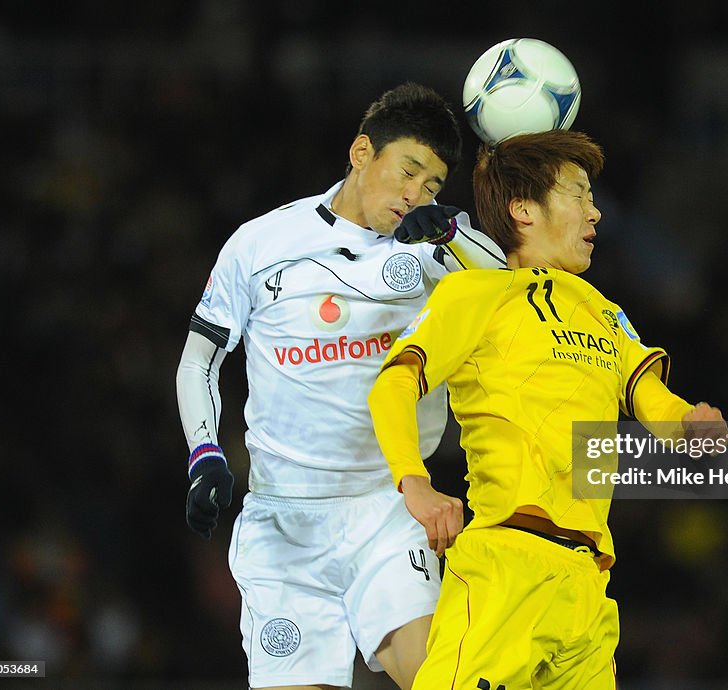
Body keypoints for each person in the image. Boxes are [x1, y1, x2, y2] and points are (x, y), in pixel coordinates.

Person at [367, 129, 728, 689]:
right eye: (579, 194)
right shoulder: (476, 294)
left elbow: (646, 395)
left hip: (587, 587)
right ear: (523, 210)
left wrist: (688, 424)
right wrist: (413, 482)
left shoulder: (604, 311)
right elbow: (393, 383)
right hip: (508, 564)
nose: (596, 213)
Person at [175, 82, 505, 690]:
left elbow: (518, 290)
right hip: (285, 520)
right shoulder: (260, 244)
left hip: (390, 508)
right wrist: (205, 454)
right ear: (361, 153)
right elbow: (198, 362)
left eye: (432, 184)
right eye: (408, 171)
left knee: (441, 681)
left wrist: (452, 234)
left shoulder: (437, 245)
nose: (416, 194)